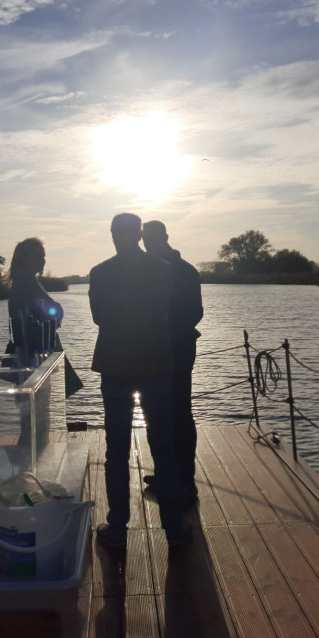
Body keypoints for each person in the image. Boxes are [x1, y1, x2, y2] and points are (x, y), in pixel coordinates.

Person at [89, 213, 190, 549]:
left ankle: (118, 528)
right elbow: (166, 310)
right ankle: (174, 528)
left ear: (115, 235)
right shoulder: (162, 269)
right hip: (156, 365)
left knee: (116, 450)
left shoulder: (100, 273)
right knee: (164, 448)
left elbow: (99, 318)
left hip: (115, 367)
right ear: (139, 234)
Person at [141, 220, 203, 504]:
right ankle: (165, 472)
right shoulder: (145, 270)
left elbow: (195, 313)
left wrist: (164, 332)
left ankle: (186, 481)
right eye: (145, 239)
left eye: (153, 238)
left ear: (166, 237)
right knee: (152, 412)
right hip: (151, 352)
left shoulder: (186, 271)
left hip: (178, 350)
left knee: (180, 412)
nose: (149, 243)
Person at [7, 238, 83, 397]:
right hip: (35, 355)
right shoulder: (27, 283)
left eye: (44, 256)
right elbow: (53, 310)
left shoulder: (23, 282)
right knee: (40, 400)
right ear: (25, 259)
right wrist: (56, 313)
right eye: (39, 256)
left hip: (32, 353)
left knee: (37, 400)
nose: (43, 260)